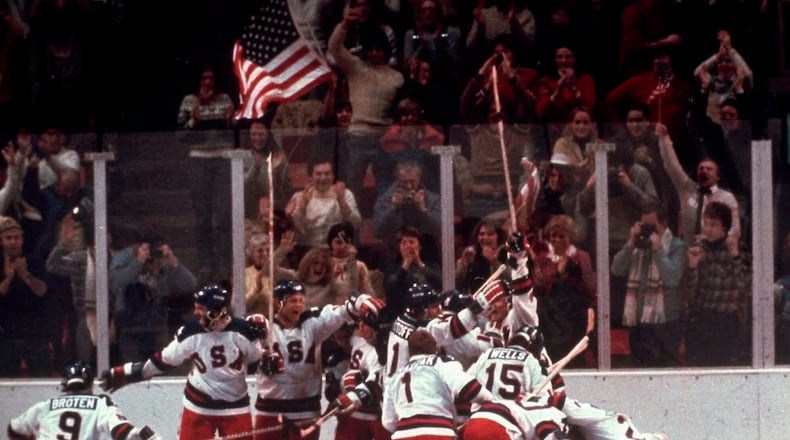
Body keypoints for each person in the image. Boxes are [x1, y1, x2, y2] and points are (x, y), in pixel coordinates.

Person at [99, 284, 265, 440]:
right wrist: (128, 373)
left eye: (201, 308)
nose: (196, 312)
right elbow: (164, 360)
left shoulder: (243, 331)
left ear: (216, 312)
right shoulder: (190, 333)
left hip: (235, 406)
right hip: (199, 405)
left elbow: (259, 359)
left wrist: (264, 336)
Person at [252, 279, 384, 440]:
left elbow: (343, 312)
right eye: (293, 301)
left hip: (305, 407)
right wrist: (261, 358)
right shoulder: (263, 327)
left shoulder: (313, 322)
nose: (298, 305)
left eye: (301, 300)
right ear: (277, 302)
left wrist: (361, 301)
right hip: (270, 408)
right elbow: (244, 352)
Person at [327, 3, 404, 204]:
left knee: (387, 187)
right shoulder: (355, 67)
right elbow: (334, 47)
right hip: (358, 136)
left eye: (379, 49)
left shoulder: (397, 77)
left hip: (385, 137)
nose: (375, 53)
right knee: (353, 188)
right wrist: (345, 23)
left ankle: (386, 222)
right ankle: (352, 224)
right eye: (371, 49)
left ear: (386, 50)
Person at [176, 68, 235, 282]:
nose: (207, 82)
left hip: (222, 158)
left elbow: (235, 130)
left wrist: (230, 121)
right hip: (199, 159)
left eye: (211, 78)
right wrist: (193, 120)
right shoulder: (189, 101)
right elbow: (180, 135)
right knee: (202, 217)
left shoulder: (225, 99)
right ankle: (206, 265)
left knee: (222, 216)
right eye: (204, 78)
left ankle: (224, 265)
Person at [381, 329, 495, 438]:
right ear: (436, 349)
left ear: (409, 351)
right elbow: (467, 387)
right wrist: (492, 401)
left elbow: (388, 422)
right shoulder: (441, 362)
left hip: (403, 434)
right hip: (438, 431)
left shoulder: (394, 377)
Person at [7, 360, 163, 440]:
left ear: (65, 384)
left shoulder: (47, 405)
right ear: (90, 383)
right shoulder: (100, 403)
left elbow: (13, 429)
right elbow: (121, 431)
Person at [611, 204, 686, 367]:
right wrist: (631, 242)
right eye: (644, 226)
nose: (647, 232)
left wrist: (658, 251)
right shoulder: (637, 246)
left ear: (663, 223)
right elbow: (616, 269)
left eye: (651, 227)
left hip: (666, 324)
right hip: (639, 323)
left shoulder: (676, 246)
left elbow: (672, 278)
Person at [109, 234, 198, 363]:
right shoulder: (125, 258)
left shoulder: (162, 261)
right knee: (131, 369)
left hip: (157, 327)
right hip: (129, 328)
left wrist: (173, 262)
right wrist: (137, 262)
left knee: (158, 367)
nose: (151, 254)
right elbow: (115, 284)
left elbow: (190, 285)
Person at [683, 201, 750, 367]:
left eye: (713, 225)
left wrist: (735, 255)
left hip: (725, 321)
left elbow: (744, 286)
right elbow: (689, 291)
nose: (708, 229)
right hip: (701, 318)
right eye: (705, 224)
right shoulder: (698, 248)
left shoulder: (739, 248)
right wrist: (692, 265)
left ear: (724, 227)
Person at [656, 122, 741, 243]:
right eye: (701, 169)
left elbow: (735, 229)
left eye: (709, 169)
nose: (704, 171)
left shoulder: (727, 198)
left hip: (716, 251)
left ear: (717, 176)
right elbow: (672, 166)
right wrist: (664, 138)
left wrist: (712, 240)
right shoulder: (686, 188)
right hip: (689, 250)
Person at [532, 214, 595, 367]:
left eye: (562, 236)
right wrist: (543, 279)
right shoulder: (543, 259)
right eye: (554, 235)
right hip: (550, 318)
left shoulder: (581, 257)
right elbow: (537, 288)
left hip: (574, 316)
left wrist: (564, 274)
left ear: (570, 237)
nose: (557, 240)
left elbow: (590, 287)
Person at [0, 215, 51, 376]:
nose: (13, 242)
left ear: (22, 239)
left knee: (41, 378)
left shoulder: (34, 260)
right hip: (7, 334)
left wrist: (25, 275)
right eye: (9, 238)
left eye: (17, 238)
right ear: (1, 241)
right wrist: (8, 278)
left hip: (35, 333)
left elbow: (42, 290)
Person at [288, 159, 362, 253]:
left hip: (338, 252)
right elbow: (296, 232)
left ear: (333, 176)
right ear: (311, 177)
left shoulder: (345, 194)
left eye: (327, 174)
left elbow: (357, 224)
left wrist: (342, 202)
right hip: (308, 252)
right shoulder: (299, 197)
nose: (323, 178)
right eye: (318, 174)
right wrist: (303, 206)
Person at [374, 99, 444, 193]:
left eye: (414, 114)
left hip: (428, 193)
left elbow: (439, 175)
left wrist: (433, 197)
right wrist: (390, 197)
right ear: (399, 118)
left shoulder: (434, 140)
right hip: (396, 194)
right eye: (405, 115)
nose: (410, 118)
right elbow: (382, 178)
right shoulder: (386, 142)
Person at [373, 160, 441, 255]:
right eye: (404, 182)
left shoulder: (433, 199)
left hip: (426, 250)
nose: (409, 186)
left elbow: (440, 230)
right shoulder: (384, 200)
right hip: (394, 252)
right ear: (398, 181)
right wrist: (393, 209)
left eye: (412, 182)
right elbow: (378, 233)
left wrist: (423, 210)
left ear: (419, 179)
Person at [693, 30, 753, 125]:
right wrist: (717, 57)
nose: (724, 64)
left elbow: (748, 75)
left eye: (728, 61)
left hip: (736, 130)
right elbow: (697, 73)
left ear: (734, 65)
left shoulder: (740, 81)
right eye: (721, 62)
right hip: (712, 129)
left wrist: (730, 50)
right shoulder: (711, 81)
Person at [382, 228, 441, 317]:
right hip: (402, 311)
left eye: (411, 242)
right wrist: (406, 264)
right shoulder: (393, 267)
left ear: (420, 247)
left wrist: (419, 263)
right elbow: (391, 287)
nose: (408, 246)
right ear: (400, 248)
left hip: (430, 309)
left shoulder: (431, 264)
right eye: (404, 243)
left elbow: (439, 281)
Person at [535, 46, 597, 130]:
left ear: (574, 59)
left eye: (568, 57)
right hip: (557, 130)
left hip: (582, 128)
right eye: (559, 57)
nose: (563, 61)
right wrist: (557, 91)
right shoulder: (546, 81)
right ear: (555, 60)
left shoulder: (586, 79)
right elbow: (540, 112)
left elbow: (590, 108)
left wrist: (573, 88)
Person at [244, 118, 294, 216]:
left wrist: (278, 169)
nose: (257, 138)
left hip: (275, 205)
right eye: (253, 134)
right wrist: (256, 166)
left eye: (261, 134)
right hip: (252, 209)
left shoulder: (277, 154)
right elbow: (244, 185)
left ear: (268, 135)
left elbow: (286, 188)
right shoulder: (245, 155)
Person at [245, 231, 296, 316]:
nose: (265, 254)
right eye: (260, 251)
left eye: (268, 250)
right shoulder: (244, 274)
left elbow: (300, 277)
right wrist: (256, 291)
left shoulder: (281, 273)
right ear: (252, 255)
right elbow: (237, 306)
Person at [327, 222, 376, 299]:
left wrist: (351, 262)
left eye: (347, 243)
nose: (342, 247)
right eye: (338, 242)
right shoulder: (322, 263)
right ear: (330, 243)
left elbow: (367, 292)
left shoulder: (360, 266)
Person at [455, 218, 505, 292]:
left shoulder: (505, 252)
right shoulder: (471, 254)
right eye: (482, 234)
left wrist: (494, 263)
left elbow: (510, 278)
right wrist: (463, 265)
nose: (485, 237)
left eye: (490, 234)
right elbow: (455, 282)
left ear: (498, 236)